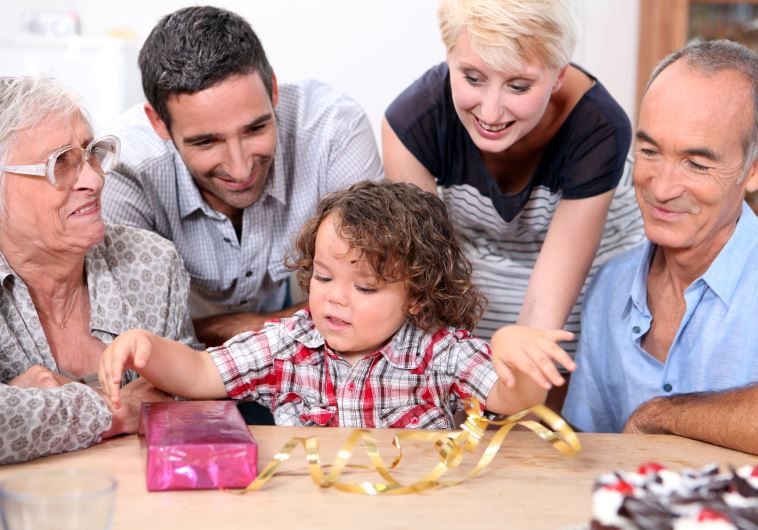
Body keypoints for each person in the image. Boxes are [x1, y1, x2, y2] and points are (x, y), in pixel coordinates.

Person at [99, 181, 570, 427]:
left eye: (365, 288)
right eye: (323, 276)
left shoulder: (439, 353)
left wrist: (513, 351)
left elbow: (510, 400)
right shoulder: (289, 343)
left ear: (416, 296)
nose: (335, 297)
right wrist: (147, 348)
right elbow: (200, 375)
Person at [382, 0, 644, 406]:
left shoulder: (600, 130)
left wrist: (516, 383)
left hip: (583, 275)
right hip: (477, 270)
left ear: (558, 75)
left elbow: (541, 325)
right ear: (449, 57)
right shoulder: (412, 122)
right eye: (472, 77)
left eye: (518, 87)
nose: (490, 111)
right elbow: (432, 290)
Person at [102, 6, 383, 348]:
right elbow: (136, 334)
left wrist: (246, 326)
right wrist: (218, 331)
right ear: (158, 123)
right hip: (179, 353)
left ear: (273, 89)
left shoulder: (332, 130)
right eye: (206, 141)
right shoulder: (125, 168)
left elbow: (375, 293)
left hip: (284, 338)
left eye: (255, 128)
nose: (240, 169)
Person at [562, 40, 758, 455]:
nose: (662, 188)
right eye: (649, 152)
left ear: (752, 170)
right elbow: (587, 450)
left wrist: (659, 417)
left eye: (696, 163)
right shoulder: (610, 286)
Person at [0, 76, 200, 464]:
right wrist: (114, 410)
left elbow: (190, 401)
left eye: (92, 153)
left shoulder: (152, 263)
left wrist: (36, 404)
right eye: (61, 163)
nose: (94, 179)